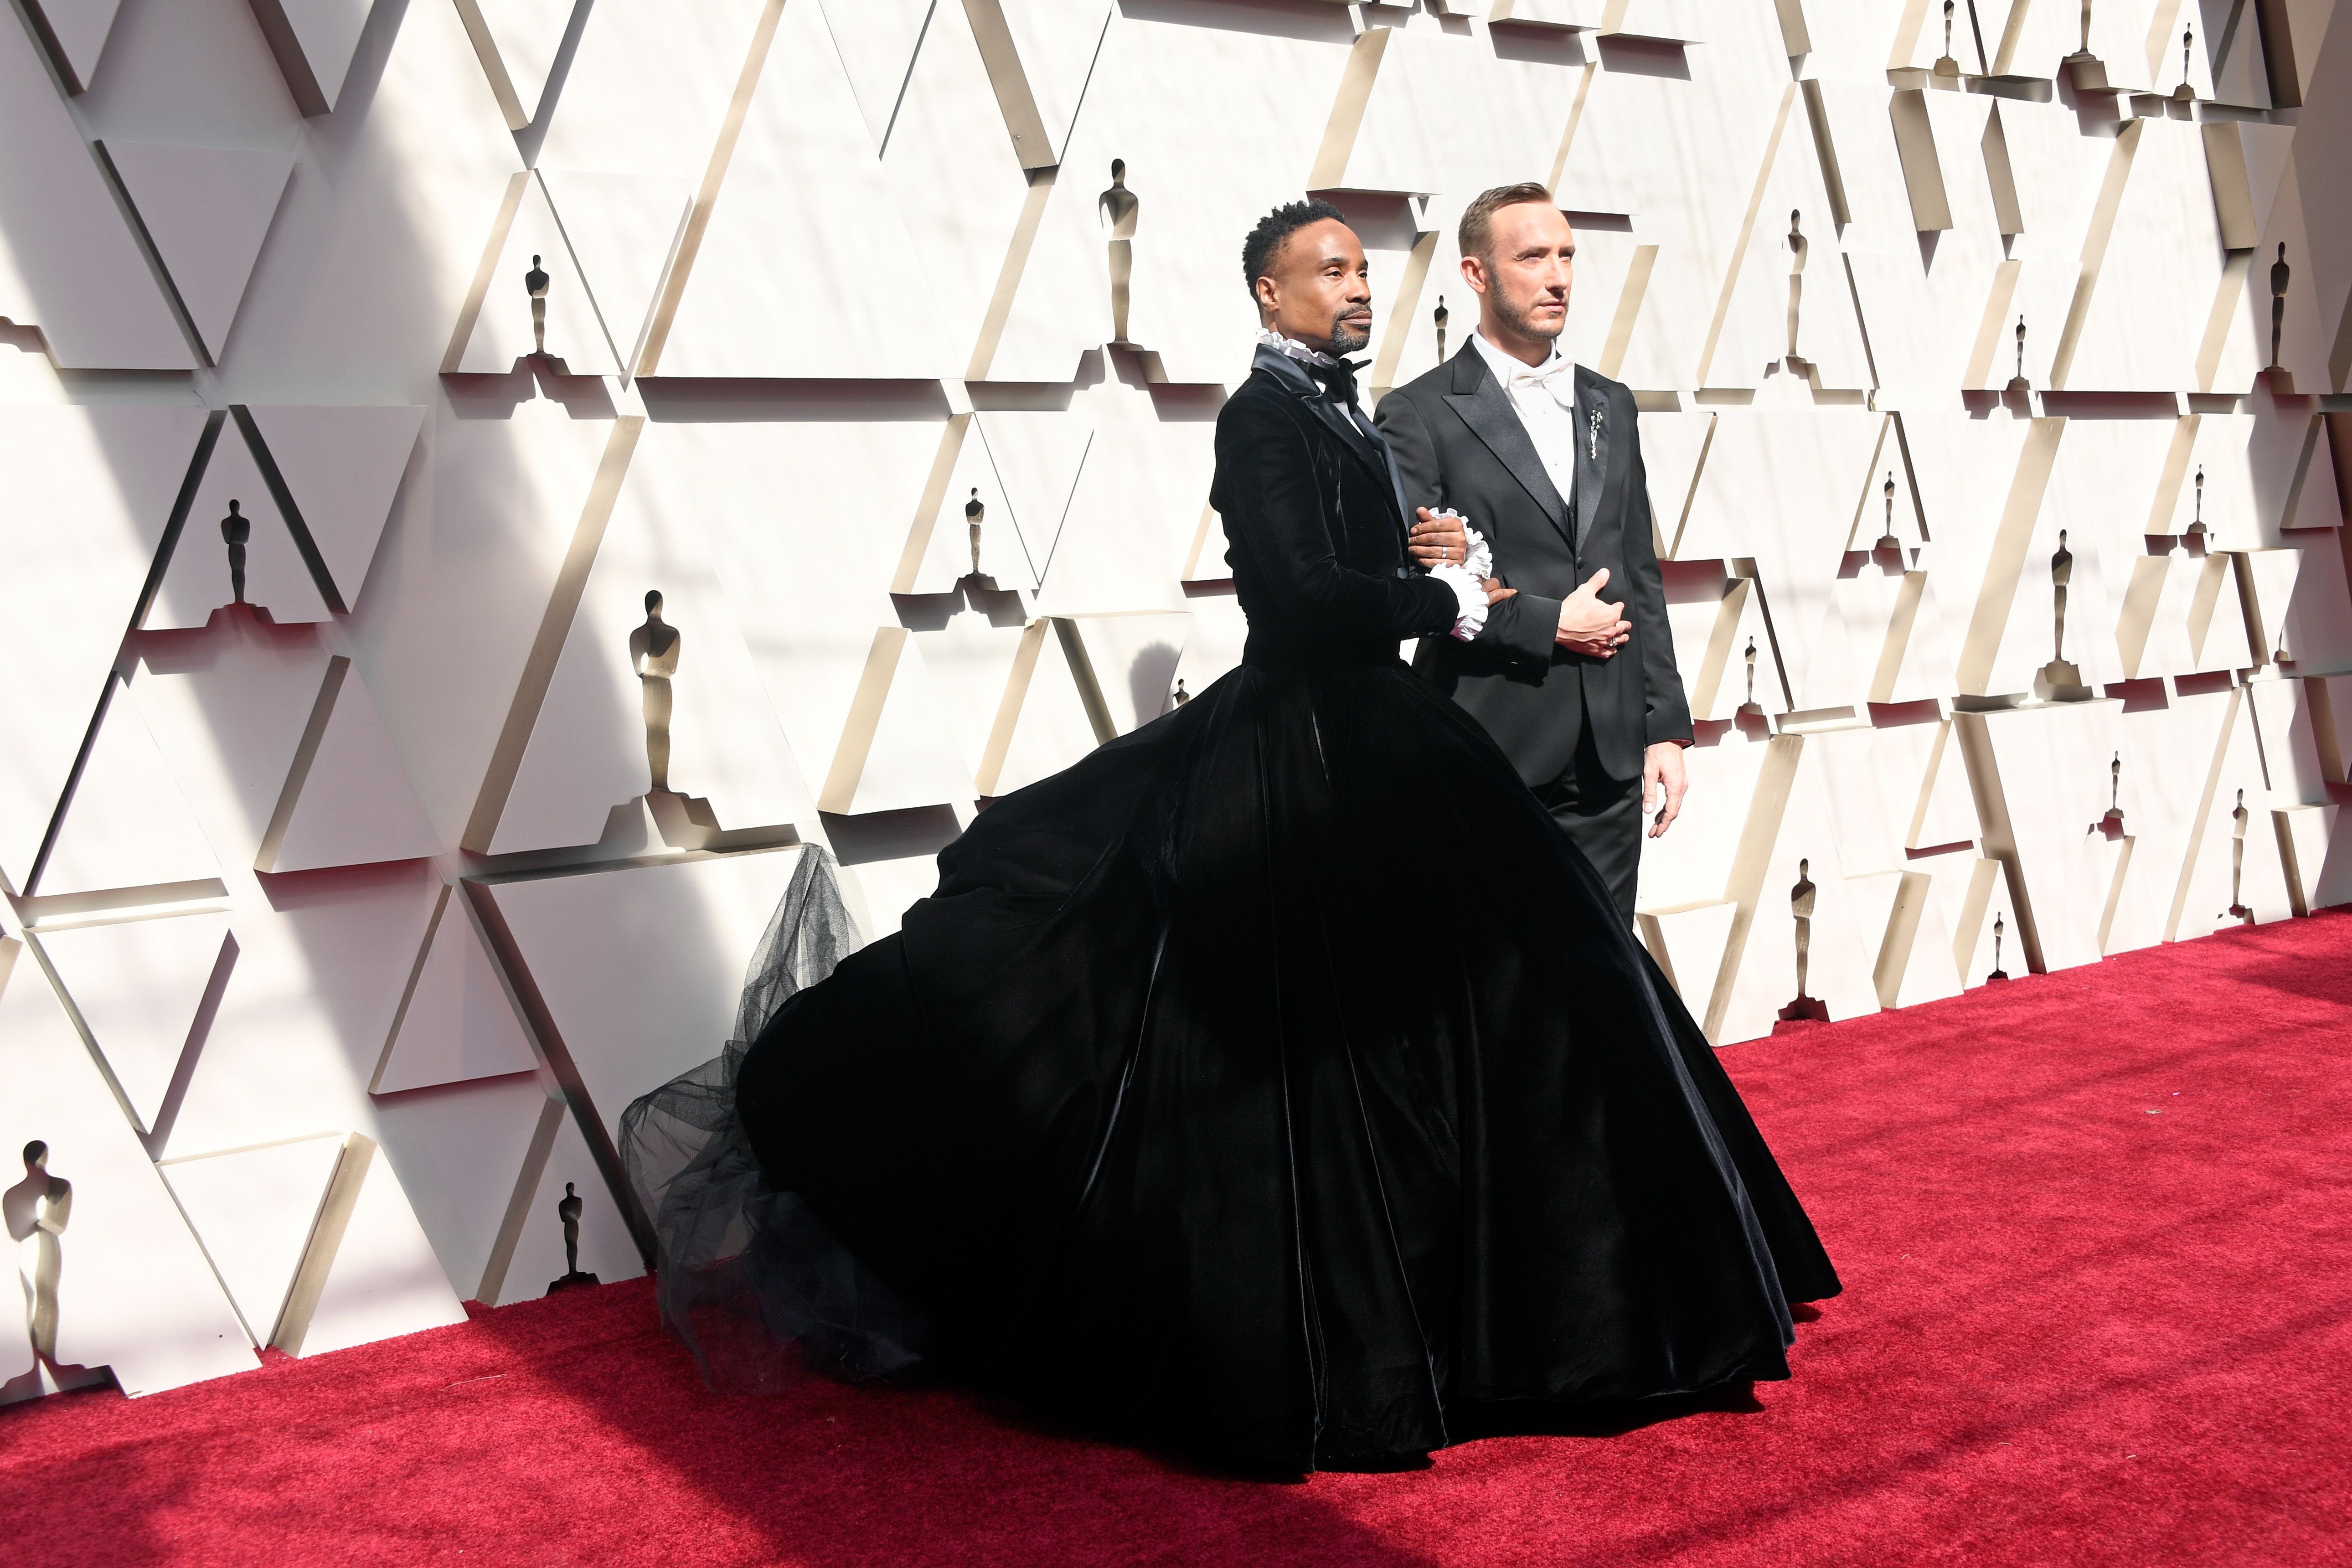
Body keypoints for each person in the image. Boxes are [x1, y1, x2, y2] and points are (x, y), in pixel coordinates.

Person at [643, 200, 1838, 1475]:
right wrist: (1439, 597)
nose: (1357, 288)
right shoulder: (1262, 415)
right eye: (1328, 273)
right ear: (1270, 298)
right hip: (1303, 743)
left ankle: (1536, 1312)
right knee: (1272, 1048)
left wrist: (1438, 564)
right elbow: (1302, 599)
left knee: (1502, 1018)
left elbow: (1365, 576)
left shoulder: (1336, 411)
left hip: (1376, 737)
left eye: (1364, 270)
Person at [1377, 184, 1691, 923]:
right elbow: (1423, 582)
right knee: (1497, 977)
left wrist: (1665, 727)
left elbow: (1638, 569)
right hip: (1490, 737)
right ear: (1476, 274)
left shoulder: (1609, 403)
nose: (1558, 276)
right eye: (1532, 257)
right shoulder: (1416, 413)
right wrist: (1551, 623)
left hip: (1610, 753)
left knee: (1604, 977)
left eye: (1567, 256)